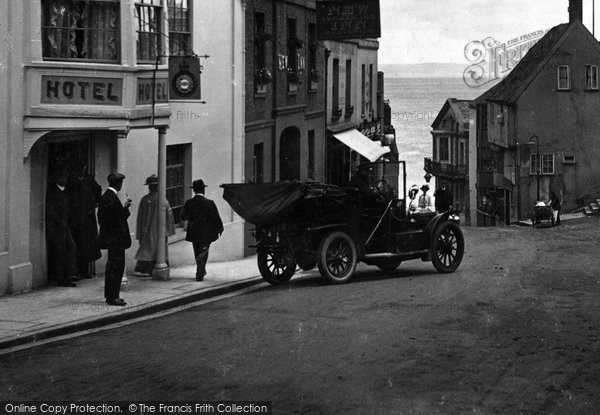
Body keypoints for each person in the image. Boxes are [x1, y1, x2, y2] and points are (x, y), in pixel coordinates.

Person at [97, 173, 132, 306]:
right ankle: (113, 297)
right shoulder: (111, 198)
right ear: (118, 183)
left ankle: (111, 295)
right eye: (121, 182)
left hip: (113, 239)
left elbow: (106, 218)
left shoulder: (107, 197)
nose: (122, 185)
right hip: (116, 239)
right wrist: (126, 210)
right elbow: (115, 220)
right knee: (116, 267)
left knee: (113, 267)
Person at [181, 179, 224, 281]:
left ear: (194, 190)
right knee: (204, 251)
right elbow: (216, 218)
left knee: (197, 250)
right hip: (206, 232)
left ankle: (200, 269)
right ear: (203, 190)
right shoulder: (209, 203)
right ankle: (200, 270)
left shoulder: (189, 203)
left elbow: (183, 217)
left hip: (194, 231)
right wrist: (220, 228)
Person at [67, 160, 102, 279]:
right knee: (76, 243)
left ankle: (84, 270)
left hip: (87, 216)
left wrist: (96, 202)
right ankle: (75, 270)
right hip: (76, 217)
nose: (82, 169)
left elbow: (98, 189)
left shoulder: (88, 179)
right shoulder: (71, 180)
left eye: (84, 167)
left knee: (86, 244)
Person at [134, 174, 175, 275]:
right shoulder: (163, 200)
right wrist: (168, 230)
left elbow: (140, 218)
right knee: (159, 250)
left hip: (147, 229)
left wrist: (140, 232)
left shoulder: (145, 200)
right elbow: (169, 216)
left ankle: (144, 268)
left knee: (147, 248)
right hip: (159, 230)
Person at [46, 171, 77, 287]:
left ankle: (69, 274)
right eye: (62, 177)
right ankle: (62, 278)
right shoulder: (53, 192)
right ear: (57, 178)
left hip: (65, 226)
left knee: (71, 248)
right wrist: (59, 222)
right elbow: (51, 211)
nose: (64, 179)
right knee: (60, 252)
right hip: (57, 228)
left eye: (66, 177)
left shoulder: (66, 192)